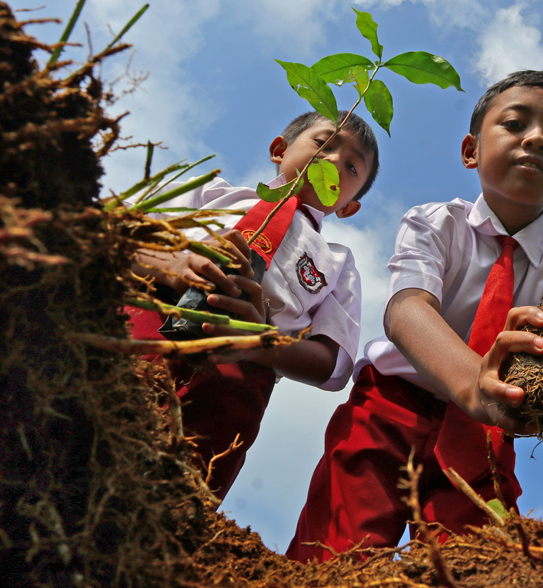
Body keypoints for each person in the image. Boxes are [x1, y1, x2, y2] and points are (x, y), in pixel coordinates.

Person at [286, 71, 543, 562]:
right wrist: (471, 384)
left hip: (487, 434)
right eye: (515, 124)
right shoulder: (435, 222)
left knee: (478, 561)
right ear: (471, 151)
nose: (536, 139)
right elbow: (407, 309)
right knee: (334, 552)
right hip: (389, 407)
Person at [128, 110, 379, 501]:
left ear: (348, 207)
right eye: (324, 143)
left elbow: (333, 363)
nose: (332, 160)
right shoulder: (210, 193)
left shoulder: (339, 264)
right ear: (279, 149)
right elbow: (116, 233)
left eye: (351, 167)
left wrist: (258, 344)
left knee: (178, 492)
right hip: (142, 319)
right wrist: (173, 266)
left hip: (235, 379)